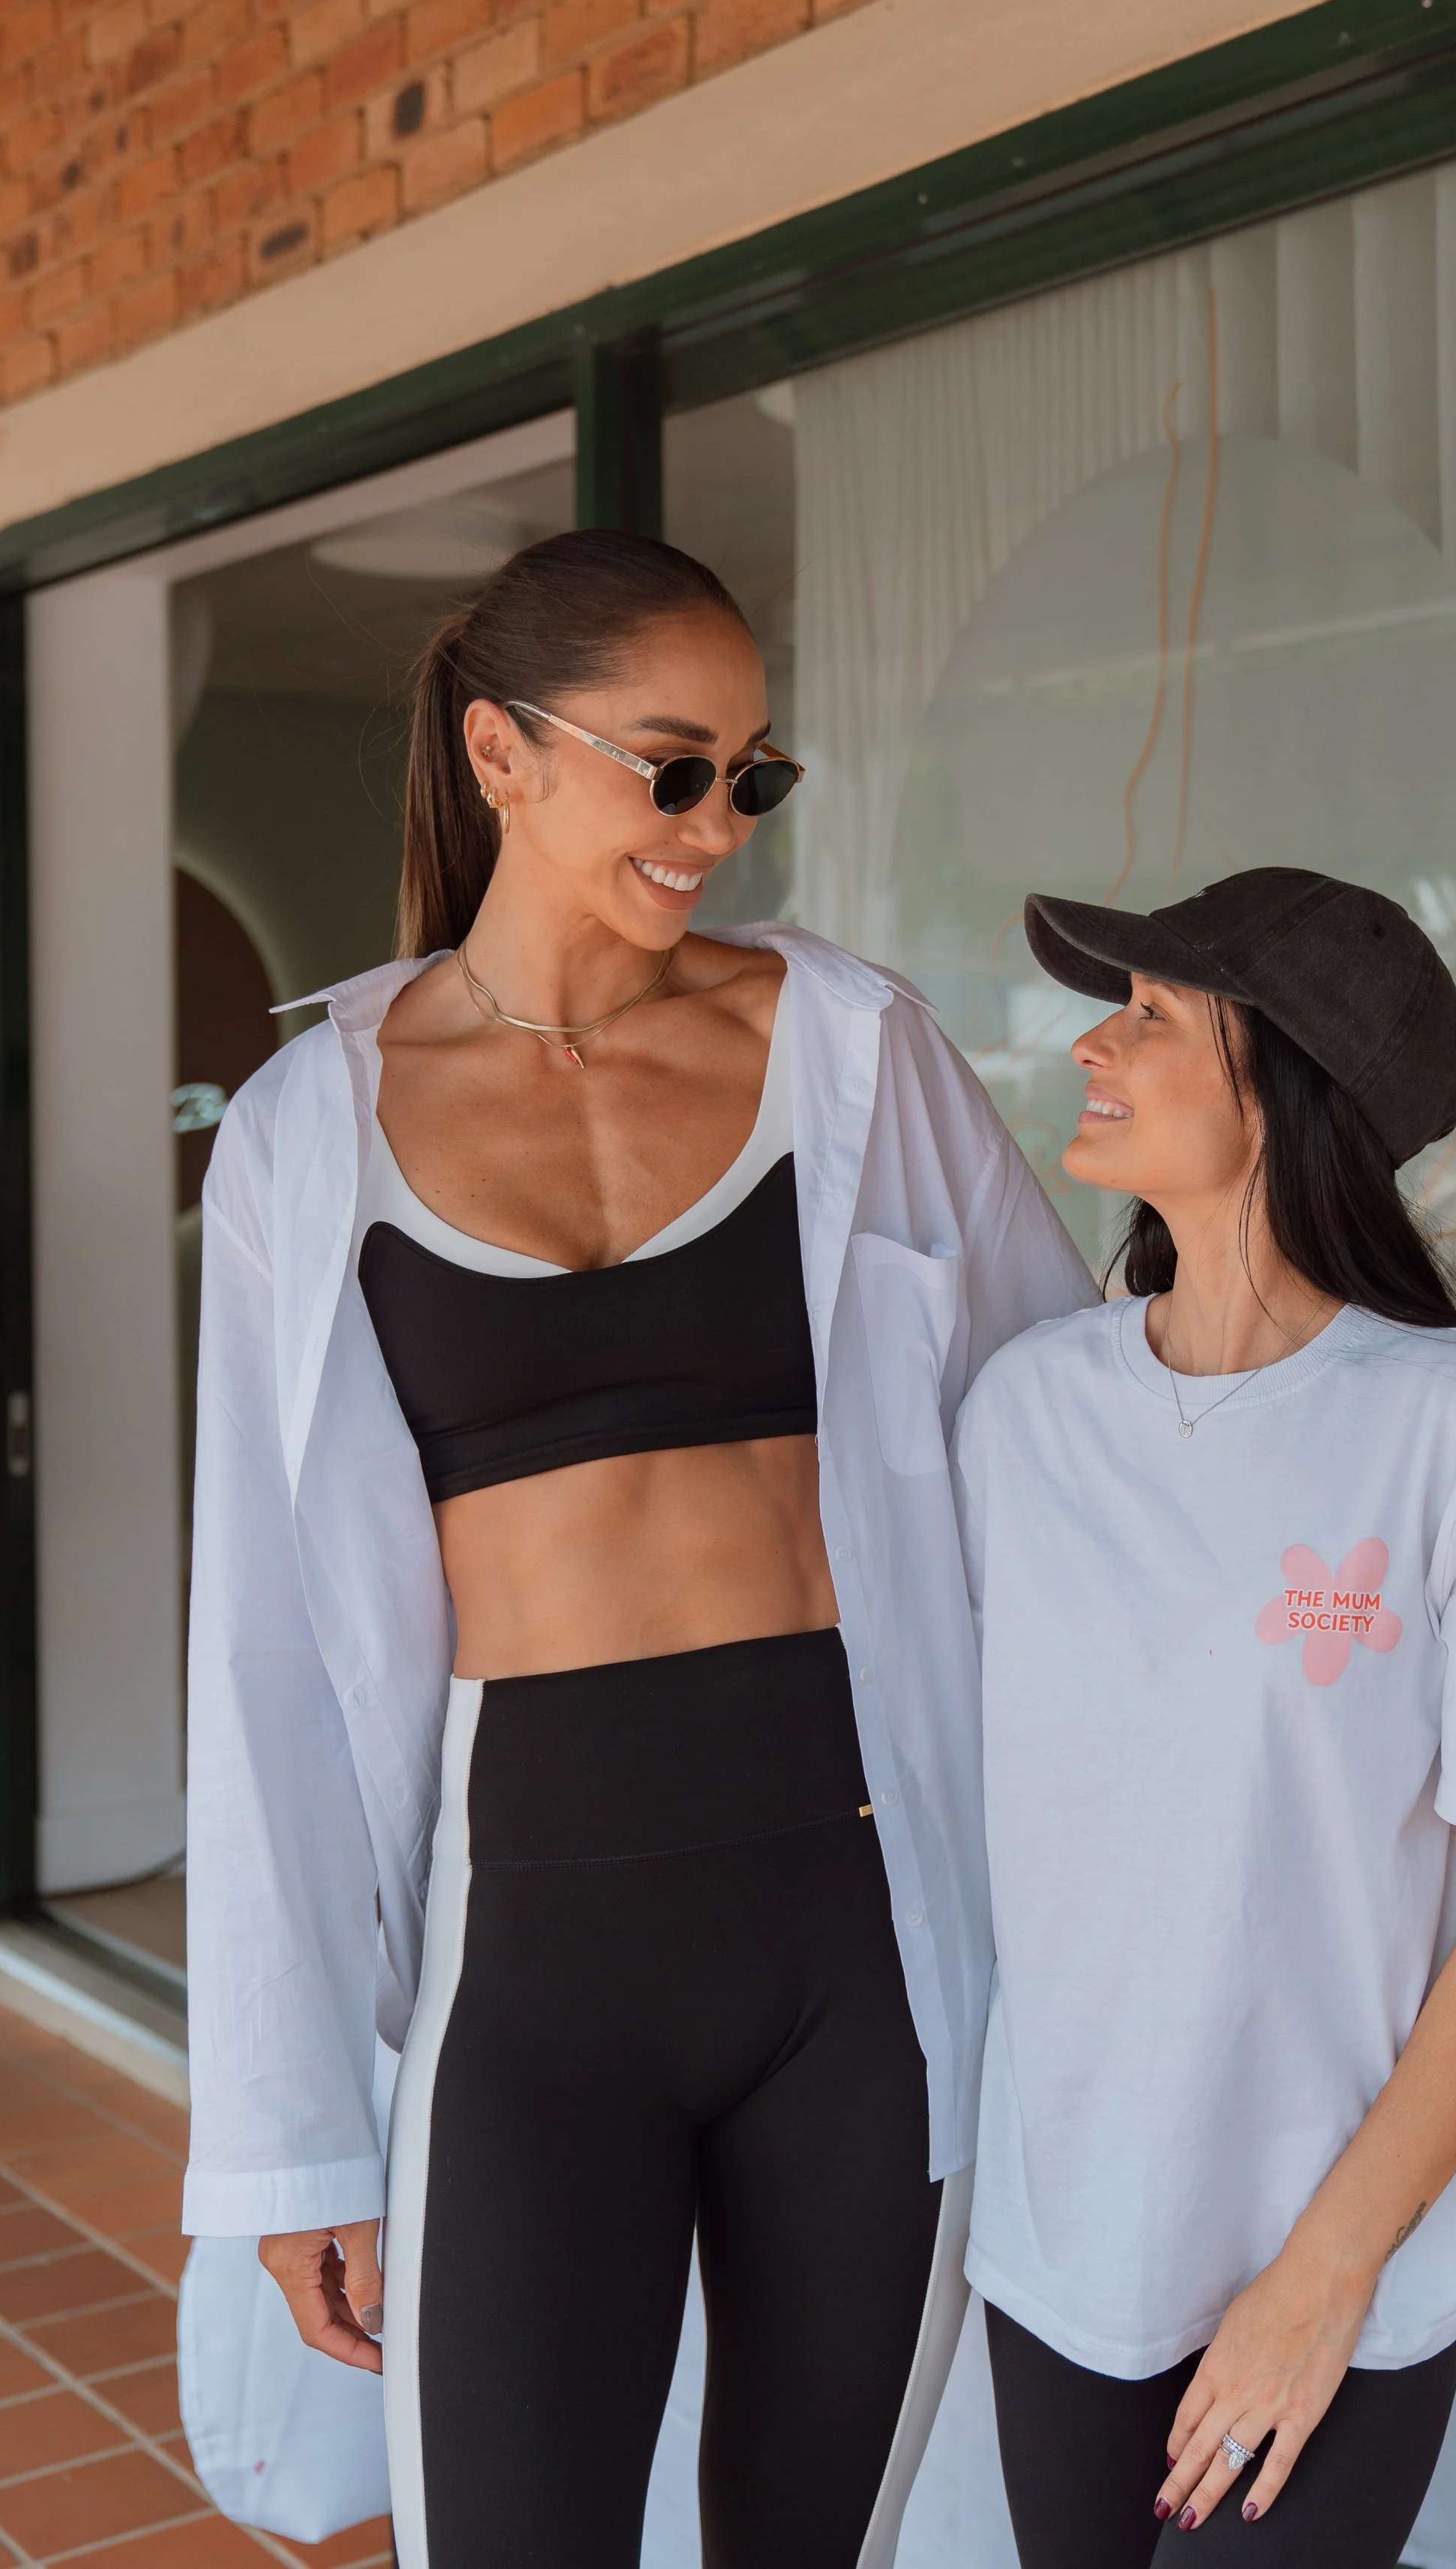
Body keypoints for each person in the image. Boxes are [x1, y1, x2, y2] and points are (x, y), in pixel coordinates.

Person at [180, 530, 1095, 2569]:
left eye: (750, 779)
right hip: (534, 1957)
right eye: (670, 767)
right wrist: (291, 2125)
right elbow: (258, 1658)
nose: (715, 828)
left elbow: (1062, 1431)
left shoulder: (858, 1048)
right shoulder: (306, 1128)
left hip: (859, 1923)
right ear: (500, 752)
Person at [952, 868, 1456, 2569]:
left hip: (1333, 2266)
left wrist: (1317, 2284)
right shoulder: (1022, 1410)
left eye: (1153, 1015)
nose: (1093, 1044)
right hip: (1062, 2247)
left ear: (1287, 1088)